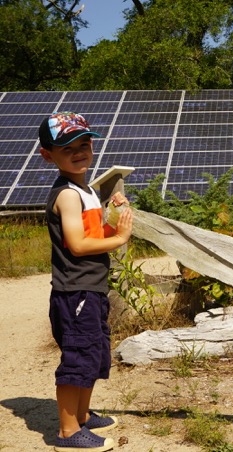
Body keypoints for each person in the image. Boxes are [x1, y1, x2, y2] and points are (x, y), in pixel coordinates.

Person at [39, 112, 133, 452]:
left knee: (94, 354)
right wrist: (120, 238)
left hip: (90, 289)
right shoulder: (67, 195)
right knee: (78, 358)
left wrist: (113, 215)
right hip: (75, 291)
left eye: (85, 144)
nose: (79, 152)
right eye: (68, 148)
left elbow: (92, 234)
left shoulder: (85, 191)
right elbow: (78, 245)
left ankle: (82, 415)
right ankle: (67, 432)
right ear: (48, 155)